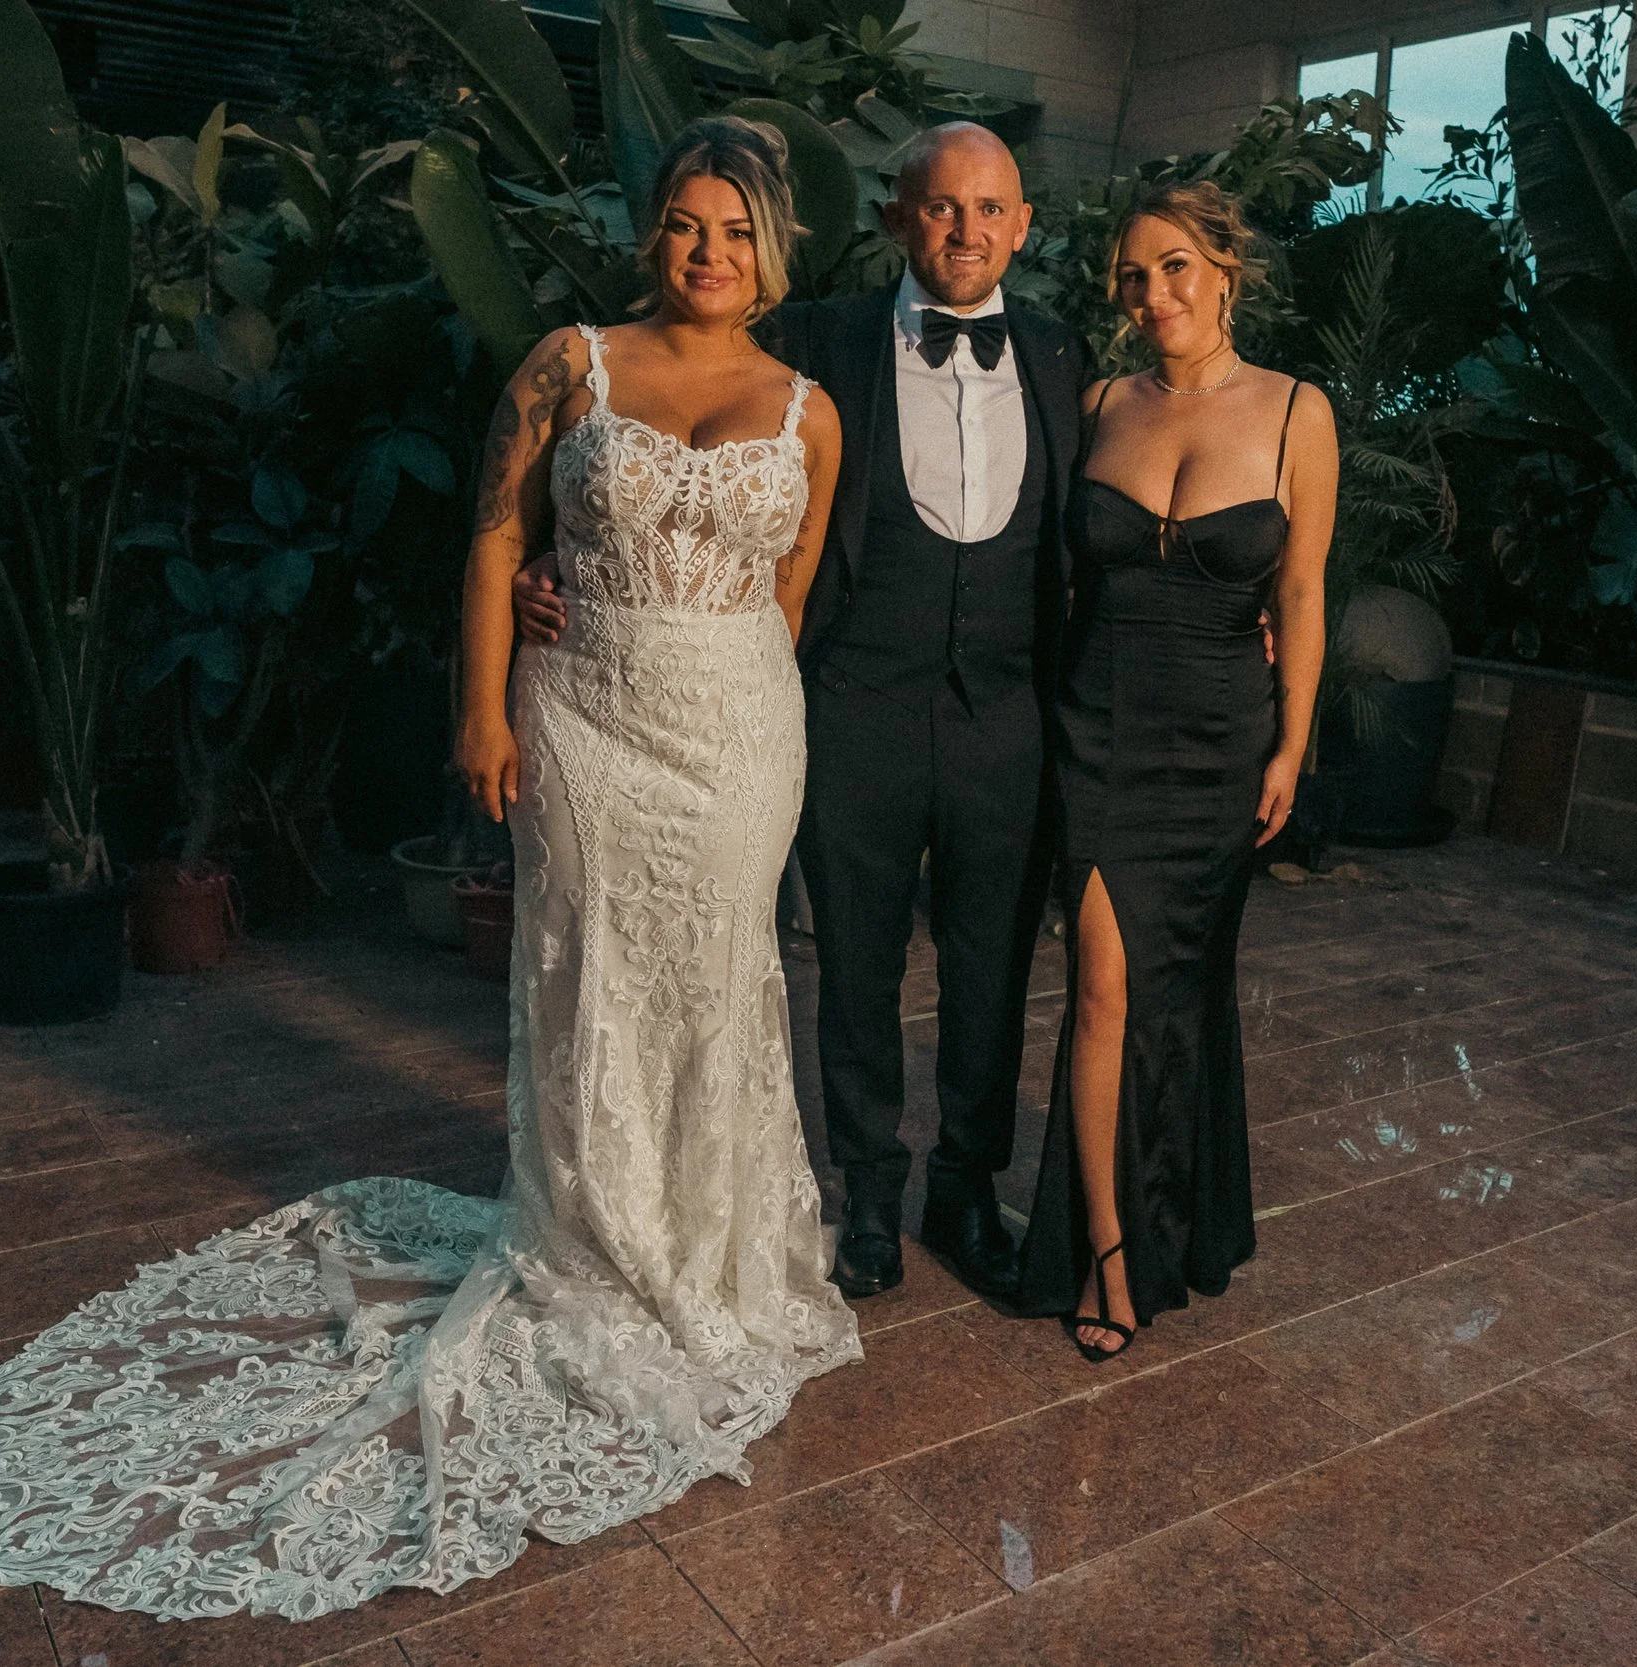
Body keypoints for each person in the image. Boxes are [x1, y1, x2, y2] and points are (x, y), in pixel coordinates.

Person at [0, 117, 858, 1619]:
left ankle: (712, 1253)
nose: (710, 252)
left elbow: (788, 584)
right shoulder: (571, 365)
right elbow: (496, 545)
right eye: (688, 224)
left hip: (743, 727)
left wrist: (708, 650)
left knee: (712, 977)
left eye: (737, 231)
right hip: (588, 723)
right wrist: (482, 707)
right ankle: (597, 1238)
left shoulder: (809, 411)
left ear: (775, 251)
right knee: (592, 976)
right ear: (655, 234)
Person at [516, 124, 1087, 1304]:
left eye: (990, 210)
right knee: (857, 967)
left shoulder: (1062, 355)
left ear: (1022, 226)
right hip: (849, 702)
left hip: (1007, 716)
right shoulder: (813, 342)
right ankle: (868, 1199)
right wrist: (551, 565)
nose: (965, 231)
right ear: (895, 219)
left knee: (990, 975)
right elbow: (666, 434)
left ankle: (966, 1190)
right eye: (939, 207)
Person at [1015, 182, 1336, 1359]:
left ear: (1226, 269)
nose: (1154, 296)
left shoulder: (1299, 413)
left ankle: (1178, 1213)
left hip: (1220, 741)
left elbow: (1299, 592)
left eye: (1175, 269)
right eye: (1134, 277)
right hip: (1097, 728)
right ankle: (1104, 1245)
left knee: (1181, 992)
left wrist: (1294, 740)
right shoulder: (1100, 402)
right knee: (1101, 988)